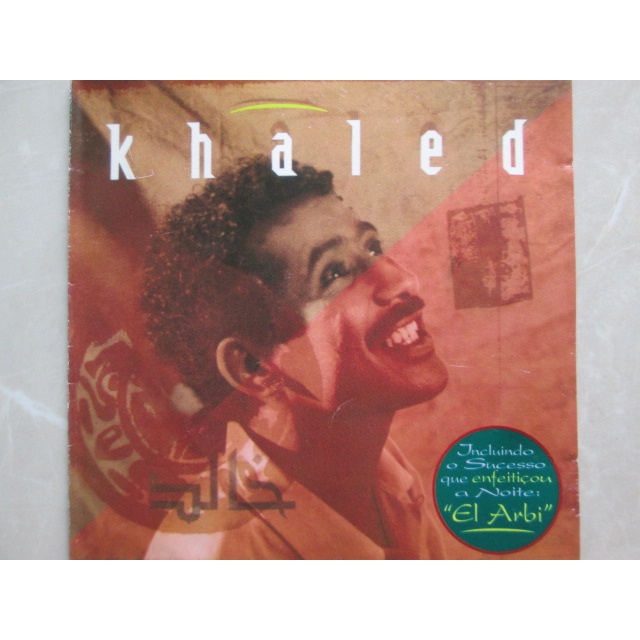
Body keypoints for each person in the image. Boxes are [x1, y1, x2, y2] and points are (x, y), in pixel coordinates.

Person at [141, 155, 449, 559]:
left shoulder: (376, 463)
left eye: (373, 247)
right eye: (334, 273)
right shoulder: (220, 557)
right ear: (253, 367)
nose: (403, 280)